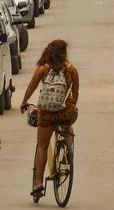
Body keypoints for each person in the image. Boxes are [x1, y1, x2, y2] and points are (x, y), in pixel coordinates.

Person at [20, 39, 80, 200]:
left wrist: (24, 102)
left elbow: (31, 87)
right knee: (68, 128)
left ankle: (38, 183)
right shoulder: (72, 70)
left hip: (46, 112)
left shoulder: (42, 69)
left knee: (42, 146)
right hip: (64, 112)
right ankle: (67, 151)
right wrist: (70, 107)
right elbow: (75, 95)